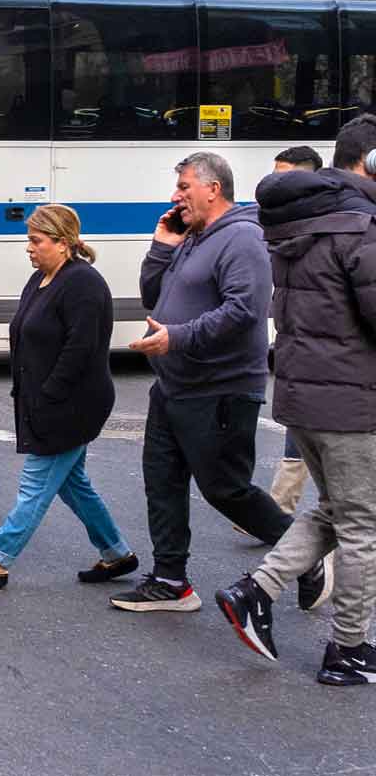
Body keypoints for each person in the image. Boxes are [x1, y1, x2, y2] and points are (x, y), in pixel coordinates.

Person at [114, 152, 327, 613]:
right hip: (173, 386)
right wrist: (161, 248)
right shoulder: (192, 237)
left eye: (184, 186)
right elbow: (156, 295)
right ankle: (171, 581)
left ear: (213, 188)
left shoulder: (244, 238)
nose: (176, 196)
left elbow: (245, 310)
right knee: (162, 481)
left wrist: (179, 338)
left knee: (225, 488)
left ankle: (305, 554)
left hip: (220, 388)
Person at [215, 114, 376, 685]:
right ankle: (348, 649)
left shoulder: (299, 220)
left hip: (302, 396)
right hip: (353, 400)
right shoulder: (361, 225)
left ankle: (253, 590)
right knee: (363, 526)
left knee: (335, 510)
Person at [0, 204, 137, 588]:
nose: (29, 248)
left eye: (37, 241)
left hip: (70, 404)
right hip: (44, 400)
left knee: (36, 485)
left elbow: (80, 349)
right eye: (29, 240)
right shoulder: (41, 280)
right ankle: (117, 553)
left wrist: (48, 394)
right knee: (72, 483)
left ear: (63, 242)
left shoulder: (84, 283)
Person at [263, 147, 322, 515]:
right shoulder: (282, 224)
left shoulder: (330, 224)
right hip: (300, 346)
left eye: (282, 176)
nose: (274, 184)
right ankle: (280, 506)